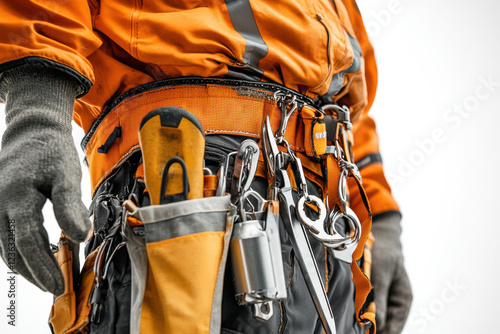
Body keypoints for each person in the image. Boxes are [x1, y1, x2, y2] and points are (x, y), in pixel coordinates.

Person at [0, 0, 412, 333]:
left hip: (326, 227)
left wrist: (382, 218)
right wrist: (37, 111)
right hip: (185, 167)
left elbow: (351, 114)